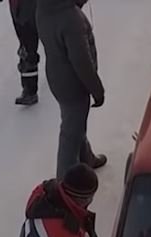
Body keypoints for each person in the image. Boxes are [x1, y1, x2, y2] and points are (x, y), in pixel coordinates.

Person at [36, 0, 107, 177]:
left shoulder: (44, 8)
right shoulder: (71, 19)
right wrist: (97, 90)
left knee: (75, 123)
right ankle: (64, 184)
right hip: (74, 85)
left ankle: (86, 158)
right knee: (70, 134)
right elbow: (82, 63)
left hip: (57, 78)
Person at [0, 0, 41, 106]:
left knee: (54, 46)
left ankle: (69, 76)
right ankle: (29, 90)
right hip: (19, 11)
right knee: (26, 50)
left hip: (37, 9)